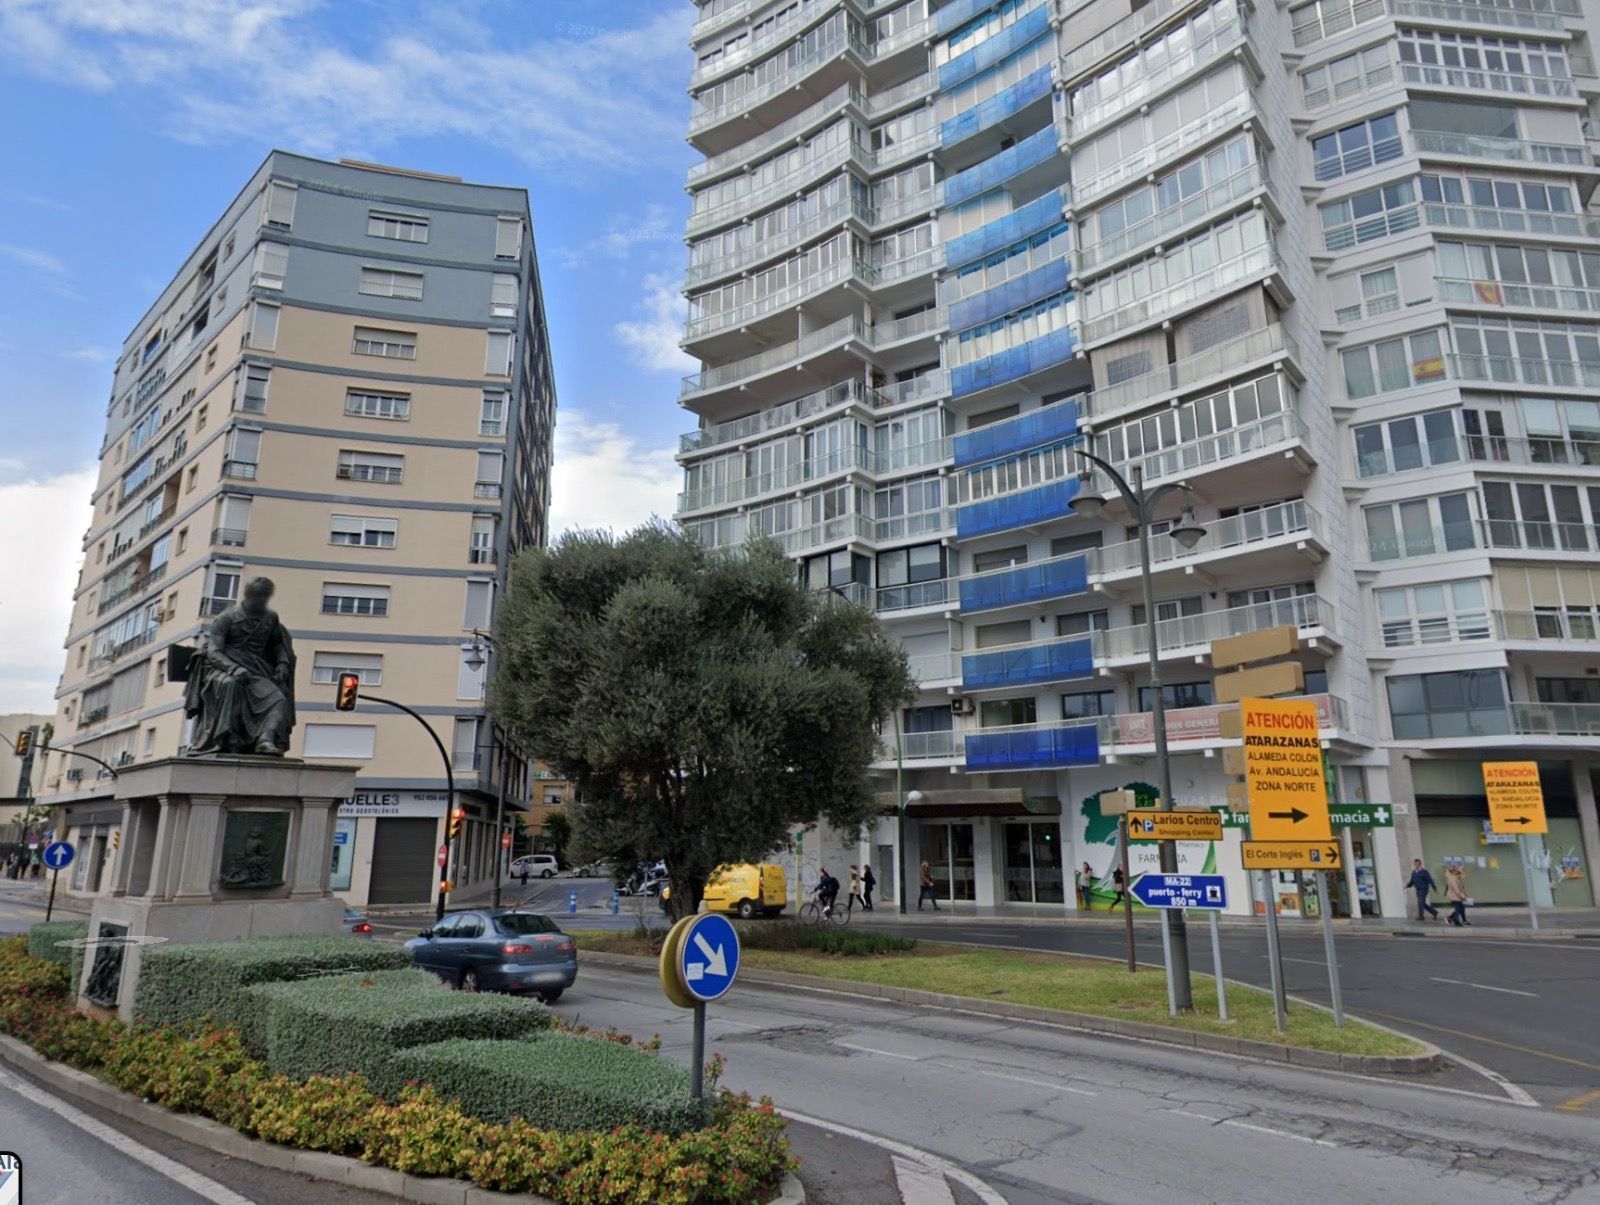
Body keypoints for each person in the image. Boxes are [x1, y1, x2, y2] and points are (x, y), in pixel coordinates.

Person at [184, 576, 296, 755]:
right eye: (258, 595)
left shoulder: (270, 617)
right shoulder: (226, 618)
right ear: (248, 595)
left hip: (257, 671)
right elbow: (214, 651)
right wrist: (233, 668)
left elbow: (277, 644)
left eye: (265, 596)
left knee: (278, 698)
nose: (262, 600)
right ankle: (226, 737)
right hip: (222, 668)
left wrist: (282, 662)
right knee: (231, 684)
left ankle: (265, 740)